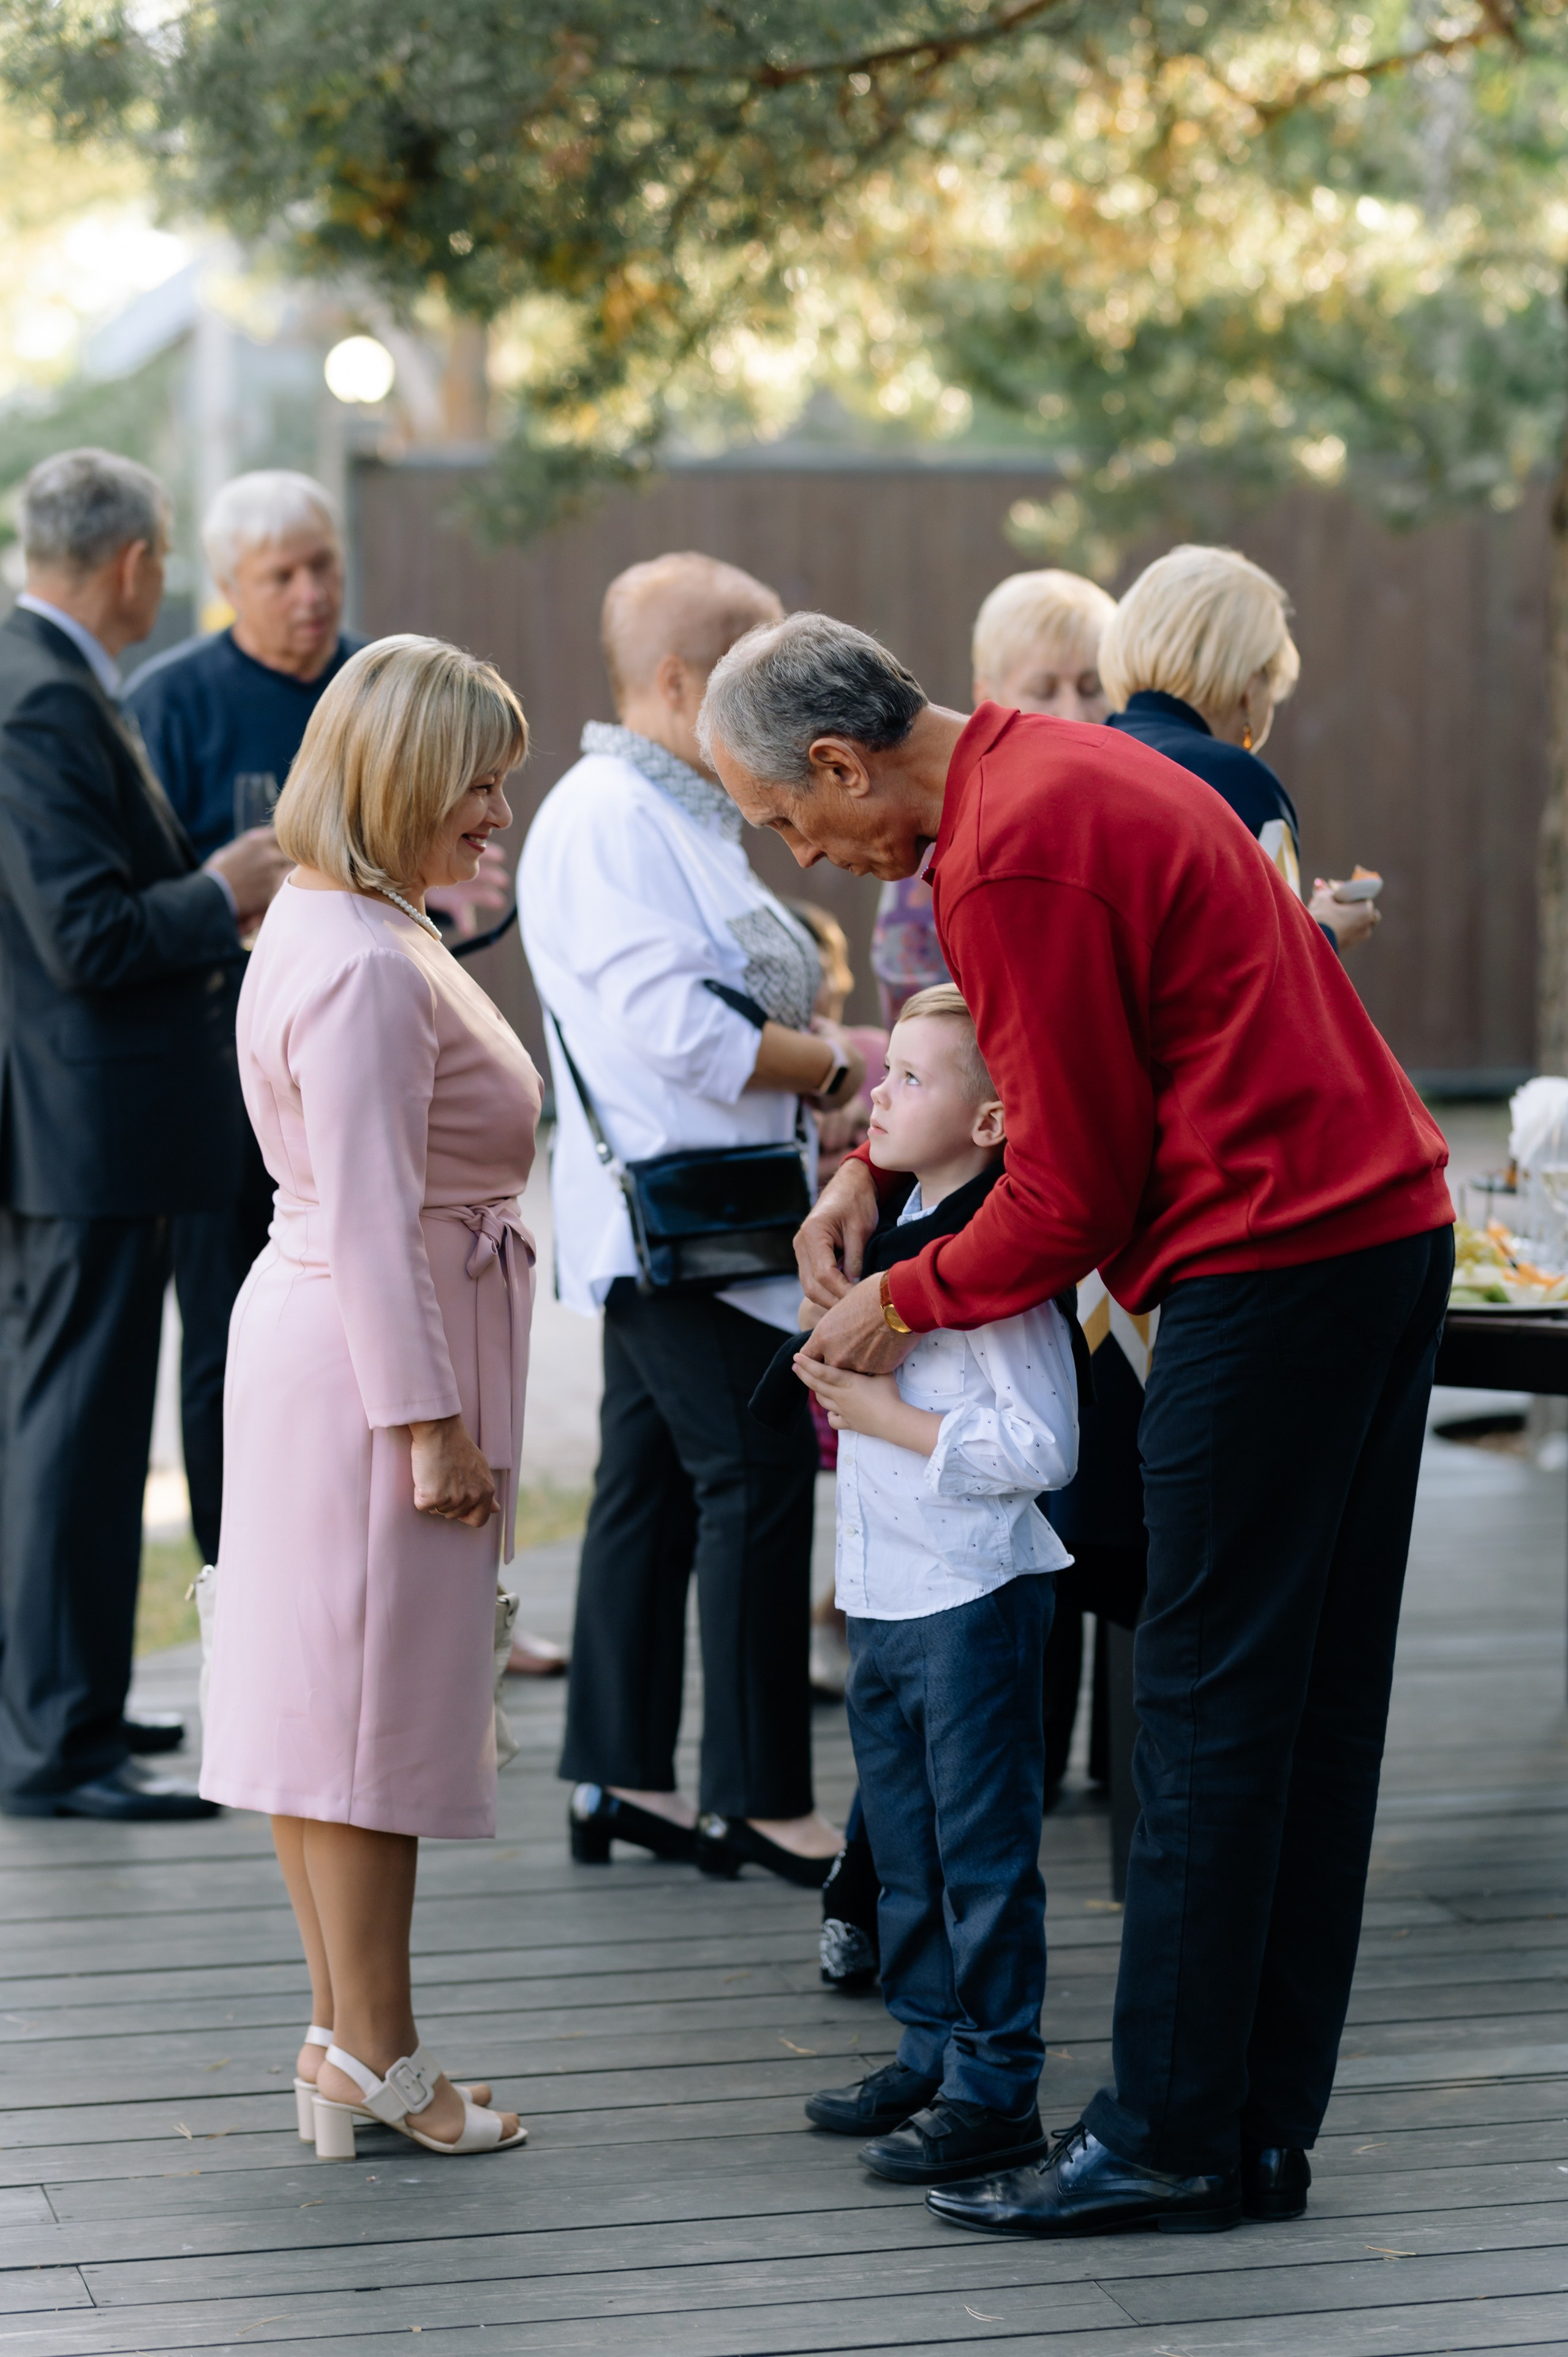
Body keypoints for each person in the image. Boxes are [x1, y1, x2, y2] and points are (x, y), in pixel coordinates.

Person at [697, 611, 1453, 2236]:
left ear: (836, 761)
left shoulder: (1010, 846)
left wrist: (889, 1302)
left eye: (789, 820)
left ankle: (1167, 2133)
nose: (811, 856)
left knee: (1198, 1710)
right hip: (1379, 1237)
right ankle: (1249, 2131)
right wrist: (875, 1166)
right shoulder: (1042, 775)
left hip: (1274, 1259)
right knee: (1309, 1711)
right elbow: (1021, 1068)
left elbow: (1065, 1193)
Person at [198, 635, 538, 2158]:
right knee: (362, 1725)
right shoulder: (353, 958)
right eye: (477, 780)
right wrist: (429, 1423)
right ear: (400, 773)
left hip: (341, 1342)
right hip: (366, 1362)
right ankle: (379, 2053)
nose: (495, 812)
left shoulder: (343, 918)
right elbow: (367, 1205)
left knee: (329, 1713)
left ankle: (348, 2033)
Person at [518, 552, 864, 1887]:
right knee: (757, 1482)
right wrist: (833, 1066)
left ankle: (620, 1774)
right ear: (674, 680)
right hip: (688, 1224)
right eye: (748, 664)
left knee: (651, 1493)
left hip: (687, 1211)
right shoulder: (612, 814)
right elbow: (675, 1029)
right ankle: (760, 1797)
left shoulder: (670, 806)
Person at [0, 448, 290, 1819]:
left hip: (84, 1124)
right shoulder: (43, 697)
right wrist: (223, 889)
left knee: (81, 1430)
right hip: (85, 1129)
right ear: (132, 563)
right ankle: (60, 1742)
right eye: (164, 560)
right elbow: (88, 936)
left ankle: (79, 1709)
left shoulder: (45, 680)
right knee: (78, 1437)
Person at [796, 985, 1078, 2187]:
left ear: (989, 1119)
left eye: (911, 1080)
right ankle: (926, 2044)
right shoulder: (900, 1217)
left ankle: (995, 2082)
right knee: (905, 1844)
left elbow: (1044, 1448)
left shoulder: (986, 1260)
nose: (880, 1096)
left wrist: (885, 1416)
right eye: (885, 1072)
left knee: (979, 1852)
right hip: (885, 1593)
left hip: (971, 1599)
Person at [1098, 544, 1379, 952]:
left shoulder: (1078, 756)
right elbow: (1272, 980)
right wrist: (1327, 931)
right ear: (1252, 685)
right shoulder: (1239, 782)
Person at [869, 569, 1115, 1025]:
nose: (1073, 712)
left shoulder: (1129, 805)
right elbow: (918, 1008)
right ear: (987, 696)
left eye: (1091, 688)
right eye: (1043, 690)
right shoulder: (944, 829)